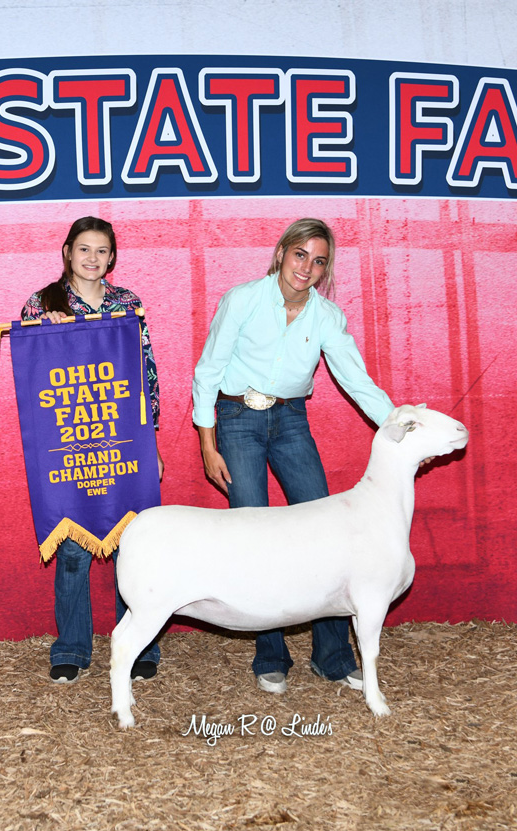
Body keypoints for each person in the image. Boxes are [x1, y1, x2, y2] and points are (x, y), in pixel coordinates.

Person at [191, 217, 395, 694]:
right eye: (300, 254)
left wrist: (400, 425)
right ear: (282, 252)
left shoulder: (325, 316)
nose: (307, 267)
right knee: (255, 534)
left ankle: (332, 655)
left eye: (318, 260)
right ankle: (271, 654)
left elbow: (357, 380)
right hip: (236, 419)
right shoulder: (242, 299)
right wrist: (207, 443)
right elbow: (209, 368)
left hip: (291, 422)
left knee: (325, 535)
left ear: (325, 269)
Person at [21, 216, 164, 685]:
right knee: (72, 549)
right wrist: (47, 330)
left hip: (122, 439)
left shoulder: (128, 304)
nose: (92, 258)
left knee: (133, 546)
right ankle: (72, 647)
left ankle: (140, 642)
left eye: (102, 251)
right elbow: (34, 373)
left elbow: (144, 372)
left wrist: (151, 441)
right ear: (67, 252)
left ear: (112, 257)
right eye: (84, 249)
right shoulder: (42, 303)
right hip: (68, 442)